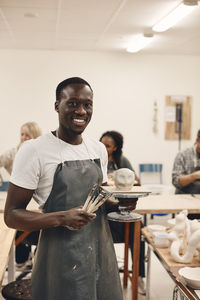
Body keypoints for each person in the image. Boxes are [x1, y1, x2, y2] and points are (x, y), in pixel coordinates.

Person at [4, 77, 137, 300]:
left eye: (87, 104)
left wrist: (118, 204)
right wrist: (63, 217)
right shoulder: (35, 150)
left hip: (100, 251)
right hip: (60, 256)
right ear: (57, 106)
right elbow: (12, 216)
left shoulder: (97, 149)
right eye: (73, 103)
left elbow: (99, 197)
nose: (81, 111)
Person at [100, 130, 146, 295]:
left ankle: (138, 275)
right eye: (102, 144)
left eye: (108, 146)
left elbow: (137, 182)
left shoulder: (122, 161)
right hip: (103, 209)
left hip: (119, 207)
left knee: (137, 228)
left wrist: (125, 178)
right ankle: (100, 276)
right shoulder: (96, 161)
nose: (104, 148)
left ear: (115, 148)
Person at [0, 122, 42, 270]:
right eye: (22, 134)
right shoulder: (13, 153)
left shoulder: (40, 153)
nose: (23, 138)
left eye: (27, 135)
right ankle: (22, 258)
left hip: (36, 199)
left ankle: (36, 257)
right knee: (18, 221)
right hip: (19, 197)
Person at [172, 129, 200, 219]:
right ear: (197, 140)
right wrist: (194, 176)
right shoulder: (183, 155)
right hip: (185, 199)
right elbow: (176, 181)